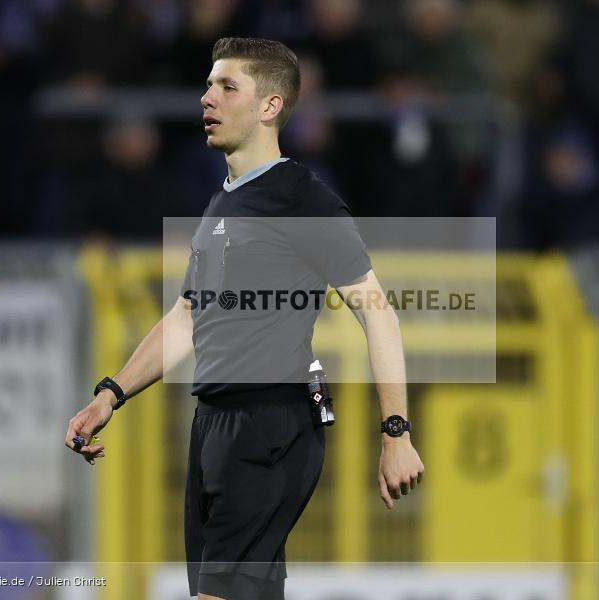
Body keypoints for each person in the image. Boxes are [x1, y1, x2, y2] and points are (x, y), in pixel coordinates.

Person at [64, 37, 424, 600]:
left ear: (270, 106)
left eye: (227, 87)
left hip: (271, 422)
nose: (207, 97)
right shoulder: (222, 203)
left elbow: (379, 316)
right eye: (209, 84)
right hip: (213, 422)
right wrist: (110, 394)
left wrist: (395, 432)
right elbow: (187, 316)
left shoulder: (304, 200)